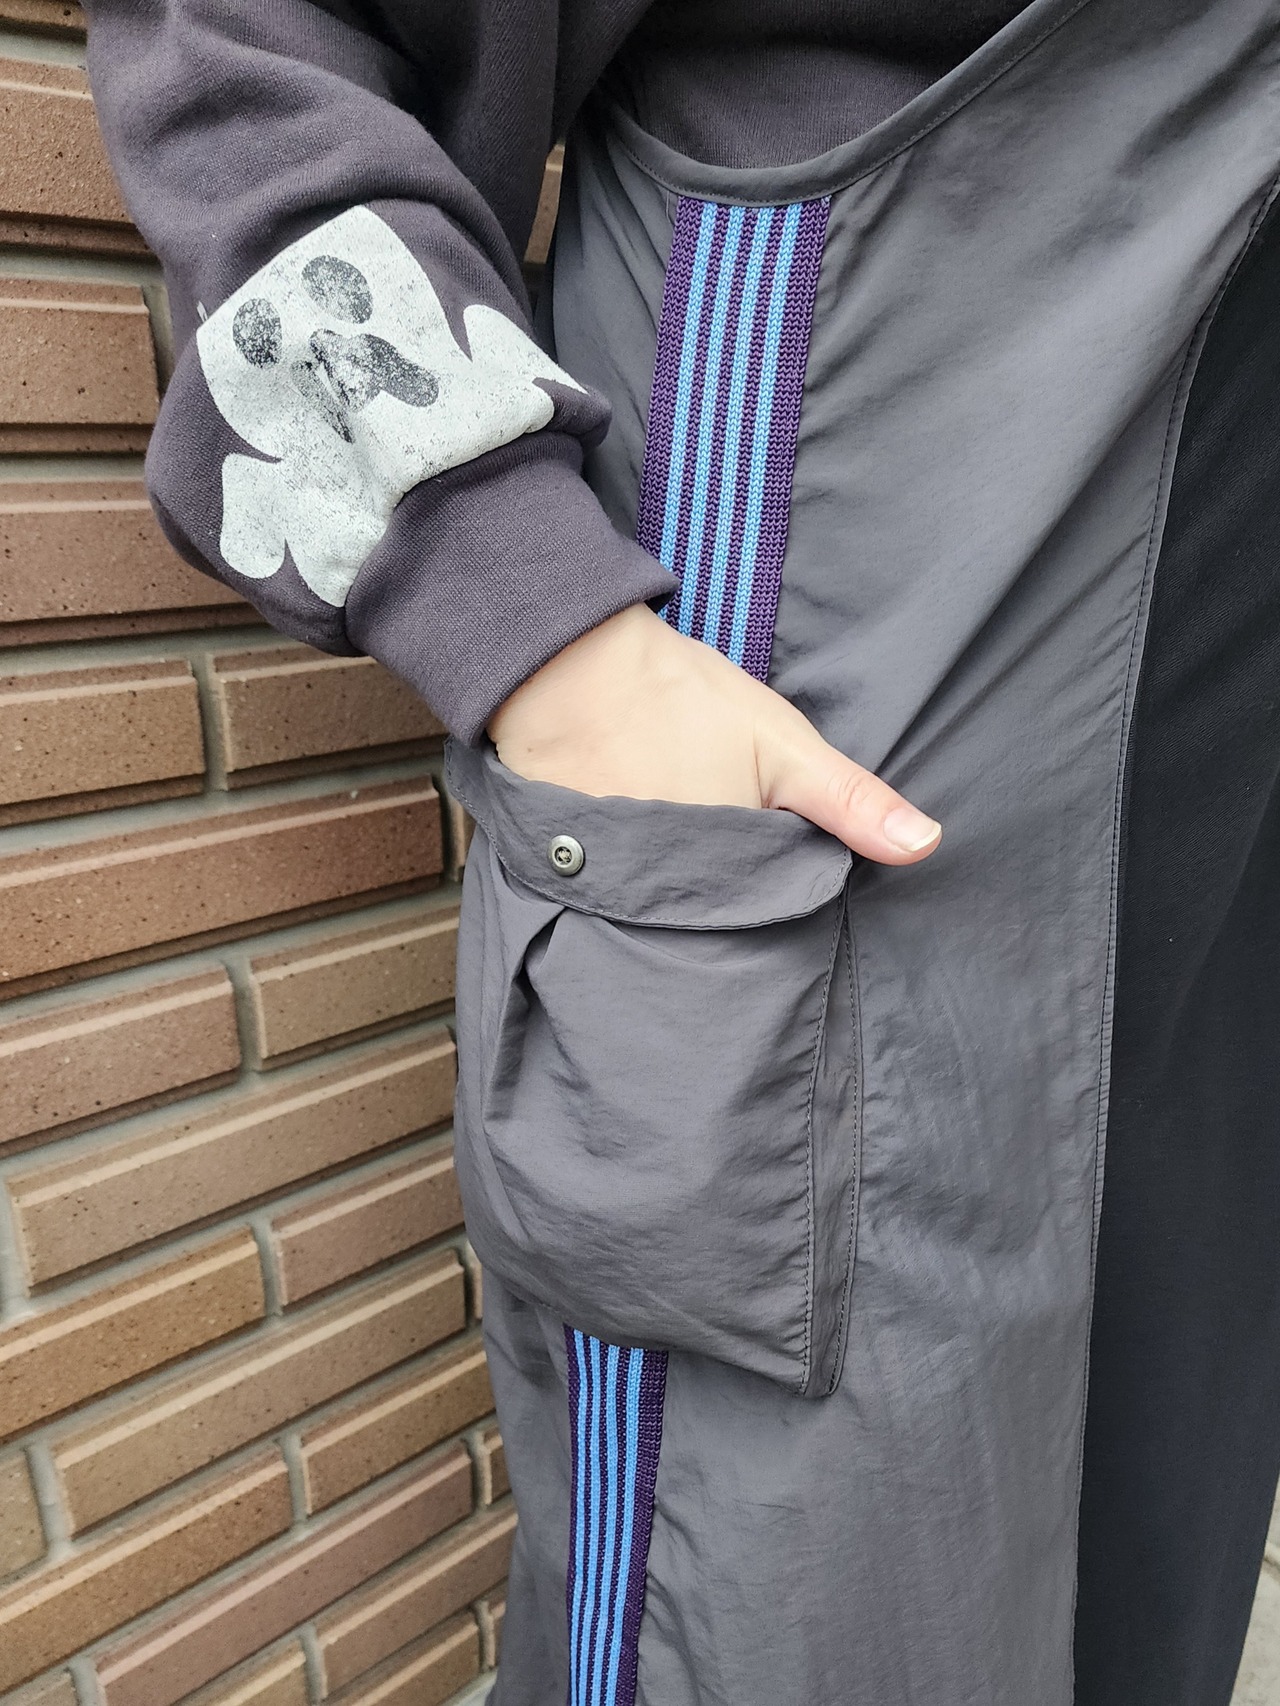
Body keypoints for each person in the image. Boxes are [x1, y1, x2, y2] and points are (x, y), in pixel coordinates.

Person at [80, 4, 1280, 1703]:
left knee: (1153, 1555)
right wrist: (519, 604)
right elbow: (242, 43)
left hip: (1219, 709)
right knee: (805, 1608)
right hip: (851, 581)